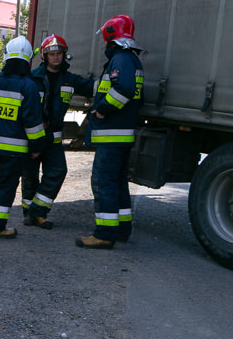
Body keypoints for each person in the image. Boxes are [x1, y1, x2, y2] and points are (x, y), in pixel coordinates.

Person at [76, 15, 144, 249]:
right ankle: (122, 229)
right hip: (121, 135)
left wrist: (103, 109)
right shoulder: (130, 59)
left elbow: (122, 89)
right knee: (117, 183)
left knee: (104, 182)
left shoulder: (121, 59)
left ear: (110, 35)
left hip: (112, 135)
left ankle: (104, 234)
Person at [20, 35, 94, 229]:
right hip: (33, 137)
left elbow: (93, 88)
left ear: (64, 55)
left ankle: (37, 211)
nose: (56, 58)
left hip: (53, 139)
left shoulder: (70, 80)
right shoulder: (32, 78)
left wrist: (109, 77)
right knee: (30, 176)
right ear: (45, 56)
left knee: (58, 171)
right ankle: (29, 214)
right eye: (52, 54)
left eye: (59, 54)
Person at [0, 36, 46, 239]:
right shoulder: (28, 86)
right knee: (5, 185)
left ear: (6, 56)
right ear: (28, 60)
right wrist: (37, 146)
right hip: (14, 150)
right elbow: (33, 123)